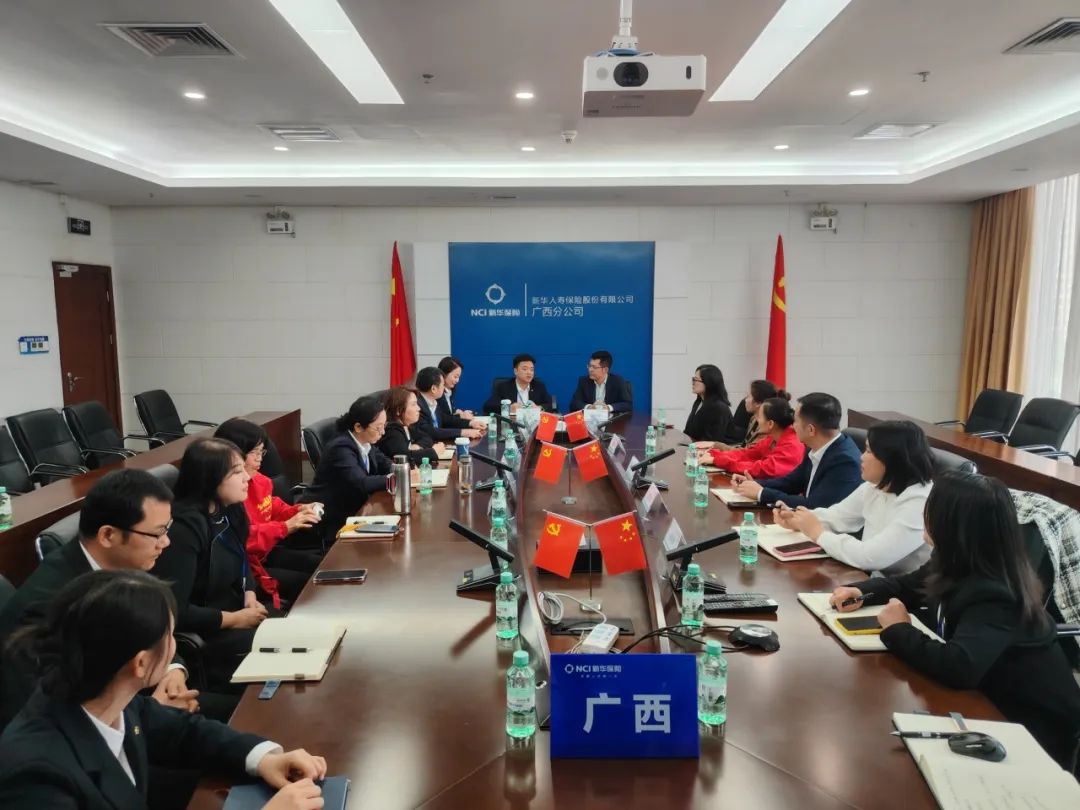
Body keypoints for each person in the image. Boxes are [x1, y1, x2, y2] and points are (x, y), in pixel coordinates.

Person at [0, 570, 328, 809]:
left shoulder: (108, 695)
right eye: (170, 636)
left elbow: (184, 732)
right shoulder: (36, 777)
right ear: (141, 664)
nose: (174, 646)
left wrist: (263, 758)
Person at [829, 472, 1080, 770]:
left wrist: (899, 629)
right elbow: (909, 585)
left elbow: (958, 667)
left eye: (931, 509)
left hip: (1031, 725)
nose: (924, 516)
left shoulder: (996, 592)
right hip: (986, 697)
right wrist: (862, 591)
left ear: (952, 523)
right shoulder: (958, 557)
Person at [0, 470, 197, 729]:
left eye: (167, 529)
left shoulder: (126, 563)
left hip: (143, 701)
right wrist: (153, 712)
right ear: (108, 535)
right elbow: (45, 718)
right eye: (158, 533)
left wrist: (172, 670)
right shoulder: (47, 607)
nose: (166, 542)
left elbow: (151, 628)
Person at [152, 438, 267, 691]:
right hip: (208, 631)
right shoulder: (183, 529)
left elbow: (241, 556)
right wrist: (233, 619)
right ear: (209, 479)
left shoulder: (230, 509)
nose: (246, 477)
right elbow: (175, 610)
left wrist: (249, 592)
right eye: (236, 472)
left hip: (237, 610)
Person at [776, 420, 934, 575]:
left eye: (869, 451)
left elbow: (869, 557)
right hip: (872, 579)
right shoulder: (874, 486)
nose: (862, 457)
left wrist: (819, 534)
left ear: (892, 459)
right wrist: (798, 519)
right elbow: (837, 517)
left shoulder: (919, 502)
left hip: (904, 589)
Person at [213, 418, 322, 610]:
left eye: (261, 451)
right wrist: (285, 527)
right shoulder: (229, 493)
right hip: (248, 566)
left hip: (266, 552)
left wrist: (298, 510)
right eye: (253, 452)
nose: (259, 458)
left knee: (321, 566)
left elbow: (272, 506)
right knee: (309, 584)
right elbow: (243, 538)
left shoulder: (260, 481)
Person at [730, 392, 861, 509]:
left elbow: (814, 506)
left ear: (811, 430)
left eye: (795, 421)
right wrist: (754, 483)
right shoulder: (814, 446)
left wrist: (761, 493)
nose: (792, 426)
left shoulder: (845, 462)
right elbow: (792, 482)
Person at [303, 395, 393, 540]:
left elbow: (384, 463)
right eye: (378, 427)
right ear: (358, 427)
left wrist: (400, 468)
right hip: (329, 518)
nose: (382, 432)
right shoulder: (341, 447)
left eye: (384, 425)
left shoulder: (365, 442)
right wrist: (396, 478)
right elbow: (361, 483)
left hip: (355, 508)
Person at [698, 394, 802, 479]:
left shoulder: (791, 446)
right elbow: (747, 454)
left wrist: (718, 460)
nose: (756, 420)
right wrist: (714, 454)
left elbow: (761, 469)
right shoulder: (772, 438)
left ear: (770, 423)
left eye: (759, 417)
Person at [697, 379, 778, 451]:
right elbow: (745, 446)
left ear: (758, 403)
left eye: (748, 396)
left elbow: (748, 453)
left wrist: (715, 445)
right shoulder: (753, 419)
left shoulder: (767, 429)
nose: (745, 400)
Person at [414, 366, 485, 442]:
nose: (444, 388)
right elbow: (432, 432)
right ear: (433, 389)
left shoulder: (433, 402)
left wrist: (470, 423)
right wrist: (463, 432)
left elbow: (445, 420)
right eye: (443, 385)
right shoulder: (417, 406)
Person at [380, 386, 444, 467]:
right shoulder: (391, 431)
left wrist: (416, 446)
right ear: (398, 410)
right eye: (413, 404)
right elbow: (404, 459)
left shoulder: (408, 426)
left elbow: (427, 438)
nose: (419, 408)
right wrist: (434, 451)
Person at [483, 353, 554, 414]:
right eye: (525, 369)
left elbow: (552, 404)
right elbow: (488, 406)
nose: (529, 372)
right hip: (512, 423)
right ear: (515, 371)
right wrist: (509, 408)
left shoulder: (539, 386)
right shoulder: (504, 387)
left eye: (532, 369)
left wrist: (539, 408)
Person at [568, 350, 633, 414]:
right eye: (589, 366)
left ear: (605, 370)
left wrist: (608, 408)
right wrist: (589, 407)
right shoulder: (584, 381)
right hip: (590, 419)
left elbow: (628, 404)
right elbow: (574, 403)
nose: (590, 369)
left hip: (611, 419)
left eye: (594, 367)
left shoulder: (617, 381)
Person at [682, 364, 732, 443]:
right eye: (693, 379)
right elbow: (688, 431)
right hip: (694, 446)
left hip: (709, 449)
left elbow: (712, 441)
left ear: (709, 383)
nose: (693, 383)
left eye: (696, 380)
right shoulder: (698, 402)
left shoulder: (720, 408)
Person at [437, 356, 478, 428]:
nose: (457, 380)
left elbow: (448, 414)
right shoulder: (437, 394)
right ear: (444, 374)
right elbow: (442, 420)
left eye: (458, 377)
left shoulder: (449, 391)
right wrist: (461, 416)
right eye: (455, 377)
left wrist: (458, 413)